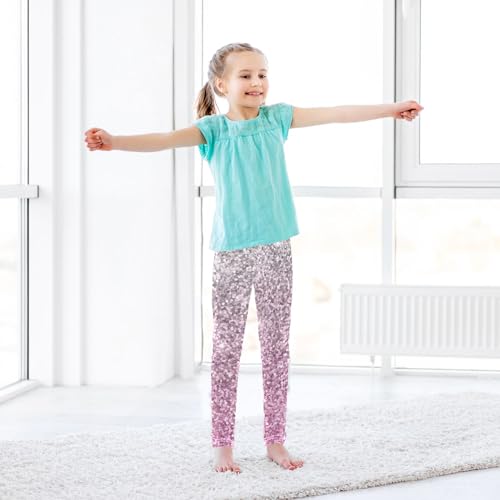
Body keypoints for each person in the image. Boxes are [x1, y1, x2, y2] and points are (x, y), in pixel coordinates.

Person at [84, 42, 423, 475]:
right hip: (232, 251)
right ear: (221, 84)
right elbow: (163, 140)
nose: (257, 82)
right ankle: (222, 445)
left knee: (276, 348)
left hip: (276, 248)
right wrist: (114, 142)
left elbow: (337, 112)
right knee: (226, 351)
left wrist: (391, 109)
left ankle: (275, 441)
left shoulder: (277, 118)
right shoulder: (212, 130)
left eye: (262, 74)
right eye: (245, 75)